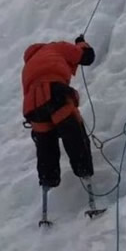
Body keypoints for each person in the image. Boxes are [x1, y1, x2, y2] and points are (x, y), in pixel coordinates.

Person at [21, 35, 96, 189]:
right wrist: (81, 42)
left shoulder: (28, 67)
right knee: (73, 133)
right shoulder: (56, 47)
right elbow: (86, 57)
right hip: (55, 93)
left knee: (45, 144)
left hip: (33, 105)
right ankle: (84, 172)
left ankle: (48, 180)